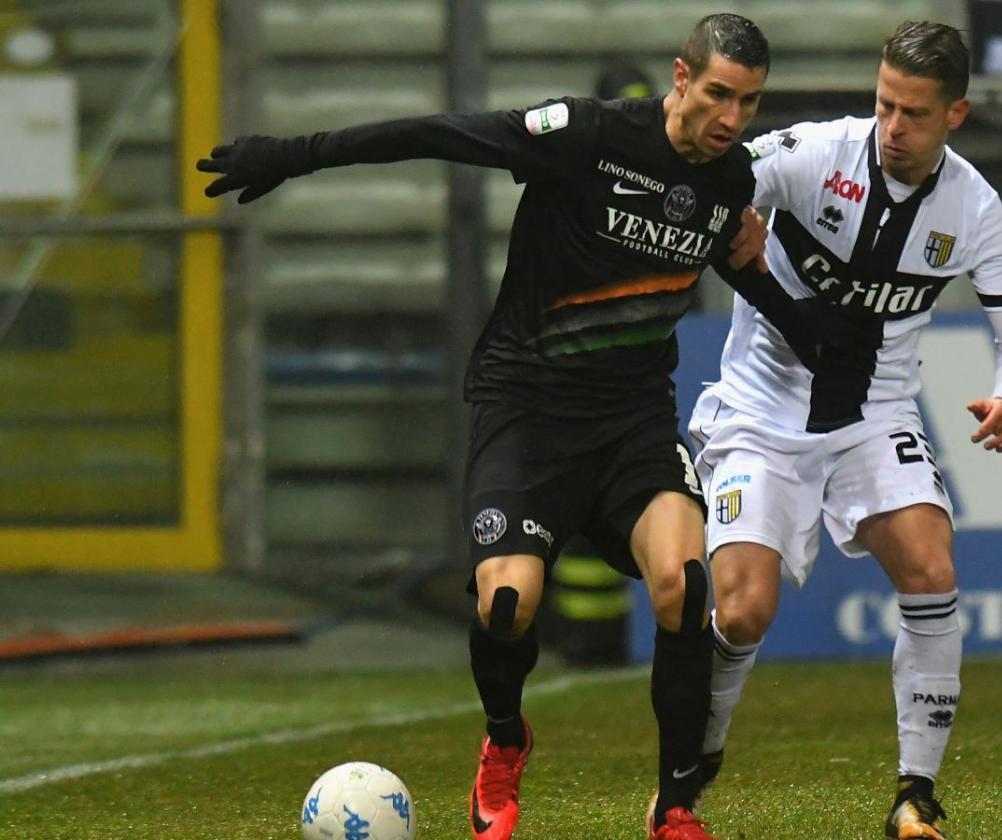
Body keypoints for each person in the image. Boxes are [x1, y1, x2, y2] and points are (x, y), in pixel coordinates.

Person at [196, 14, 851, 840]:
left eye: (748, 103)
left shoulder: (728, 184)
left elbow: (736, 264)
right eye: (718, 93)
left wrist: (817, 335)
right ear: (681, 78)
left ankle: (676, 807)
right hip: (527, 412)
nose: (730, 118)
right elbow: (438, 134)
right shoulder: (584, 134)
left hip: (631, 425)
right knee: (507, 603)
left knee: (686, 583)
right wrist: (296, 155)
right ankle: (506, 739)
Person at [687, 21, 1002, 840]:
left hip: (875, 414)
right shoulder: (814, 153)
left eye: (914, 113)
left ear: (956, 114)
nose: (892, 127)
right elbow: (714, 179)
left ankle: (916, 793)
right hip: (758, 408)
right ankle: (693, 761)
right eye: (884, 104)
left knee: (930, 564)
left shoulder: (976, 210)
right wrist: (728, 225)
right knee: (742, 611)